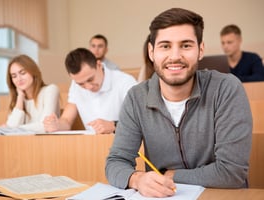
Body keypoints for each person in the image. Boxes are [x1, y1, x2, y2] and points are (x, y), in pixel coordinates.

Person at [106, 8, 252, 198]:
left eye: (185, 45)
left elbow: (232, 173)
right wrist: (137, 179)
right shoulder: (136, 97)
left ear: (200, 50)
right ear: (151, 52)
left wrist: (172, 175)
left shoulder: (227, 89)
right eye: (165, 46)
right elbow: (116, 161)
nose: (175, 56)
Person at [44, 48, 137, 134]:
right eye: (81, 84)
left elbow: (140, 120)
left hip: (122, 143)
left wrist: (114, 125)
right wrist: (56, 125)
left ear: (99, 65)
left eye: (90, 79)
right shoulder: (75, 85)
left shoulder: (125, 82)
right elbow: (67, 120)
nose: (88, 87)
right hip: (92, 144)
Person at [5, 54, 60, 133]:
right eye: (14, 76)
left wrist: (13, 129)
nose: (19, 79)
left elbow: (44, 126)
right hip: (23, 143)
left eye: (23, 73)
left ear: (33, 72)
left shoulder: (50, 90)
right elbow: (11, 128)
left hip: (47, 143)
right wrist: (20, 97)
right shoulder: (17, 100)